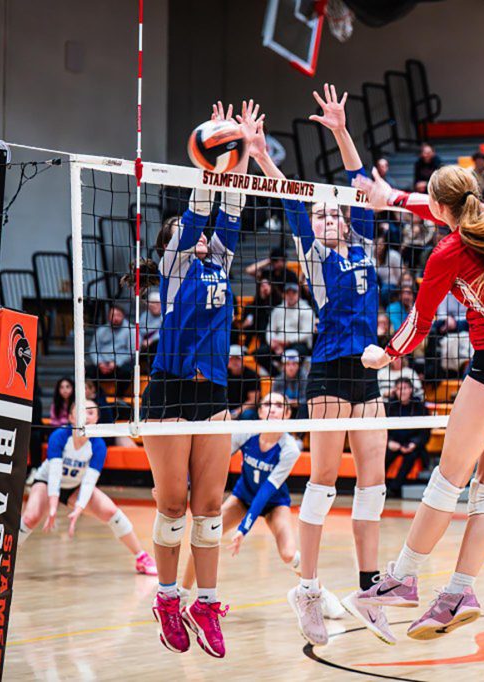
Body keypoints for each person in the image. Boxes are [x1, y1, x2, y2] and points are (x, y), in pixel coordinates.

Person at [350, 163, 484, 641]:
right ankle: (460, 591)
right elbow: (444, 209)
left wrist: (386, 354)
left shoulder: (446, 251)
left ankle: (402, 579)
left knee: (447, 480)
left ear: (441, 209)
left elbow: (420, 324)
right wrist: (394, 198)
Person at [250, 85, 392, 646]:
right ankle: (307, 588)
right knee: (326, 481)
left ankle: (369, 587)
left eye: (334, 211)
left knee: (374, 483)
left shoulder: (364, 243)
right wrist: (261, 155)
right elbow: (289, 198)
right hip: (330, 373)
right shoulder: (313, 250)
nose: (329, 215)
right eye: (321, 212)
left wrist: (339, 128)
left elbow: (360, 181)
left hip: (369, 372)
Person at [135, 99, 256, 657]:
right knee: (173, 506)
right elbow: (203, 206)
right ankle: (165, 598)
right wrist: (212, 163)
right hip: (169, 390)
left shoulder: (218, 264)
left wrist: (244, 151)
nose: (205, 237)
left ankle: (205, 604)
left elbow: (230, 209)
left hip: (215, 394)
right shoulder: (177, 262)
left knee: (210, 507)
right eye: (193, 234)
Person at [179, 392, 347, 618]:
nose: (272, 408)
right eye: (267, 403)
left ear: (287, 415)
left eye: (279, 405)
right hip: (242, 497)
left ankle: (318, 590)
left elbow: (266, 491)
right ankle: (182, 596)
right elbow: (213, 461)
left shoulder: (290, 448)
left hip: (274, 502)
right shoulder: (246, 432)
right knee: (205, 535)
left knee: (289, 554)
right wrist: (186, 481)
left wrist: (243, 529)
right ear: (259, 411)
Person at [19, 400, 157, 578]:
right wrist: (52, 507)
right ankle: (4, 557)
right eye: (81, 411)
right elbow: (53, 475)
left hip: (75, 486)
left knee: (112, 512)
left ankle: (142, 558)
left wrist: (79, 509)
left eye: (91, 412)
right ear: (70, 417)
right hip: (47, 483)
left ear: (97, 419)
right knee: (31, 517)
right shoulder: (60, 435)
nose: (86, 415)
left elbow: (89, 482)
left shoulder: (98, 445)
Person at [384, 377, 431, 496]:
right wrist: (389, 442)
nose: (402, 391)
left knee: (411, 456)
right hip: (394, 442)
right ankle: (379, 486)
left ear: (411, 390)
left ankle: (394, 489)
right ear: (395, 390)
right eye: (399, 389)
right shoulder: (389, 406)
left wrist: (414, 444)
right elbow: (382, 429)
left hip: (412, 444)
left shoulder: (420, 407)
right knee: (384, 456)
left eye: (405, 388)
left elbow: (425, 433)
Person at [86, 303, 135, 395]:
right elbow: (93, 349)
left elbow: (132, 352)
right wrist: (100, 363)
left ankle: (119, 397)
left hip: (120, 365)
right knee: (86, 371)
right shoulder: (101, 330)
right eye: (113, 315)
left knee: (128, 372)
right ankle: (97, 396)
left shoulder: (131, 330)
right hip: (102, 365)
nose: (115, 318)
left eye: (118, 315)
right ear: (108, 316)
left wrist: (116, 363)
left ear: (123, 316)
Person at [226, 344, 261, 419]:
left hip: (244, 410)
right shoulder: (222, 374)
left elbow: (253, 400)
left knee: (248, 414)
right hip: (226, 409)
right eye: (231, 358)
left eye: (237, 358)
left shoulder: (252, 375)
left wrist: (237, 412)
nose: (234, 361)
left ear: (243, 359)